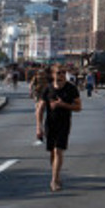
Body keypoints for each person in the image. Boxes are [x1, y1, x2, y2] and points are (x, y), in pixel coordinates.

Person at [36, 64, 82, 192]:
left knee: (58, 151)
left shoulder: (71, 89)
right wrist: (38, 127)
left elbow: (78, 107)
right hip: (50, 123)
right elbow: (40, 109)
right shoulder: (48, 89)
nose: (61, 75)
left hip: (64, 123)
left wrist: (63, 104)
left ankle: (54, 180)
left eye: (63, 73)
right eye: (58, 73)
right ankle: (56, 175)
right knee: (52, 152)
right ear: (52, 74)